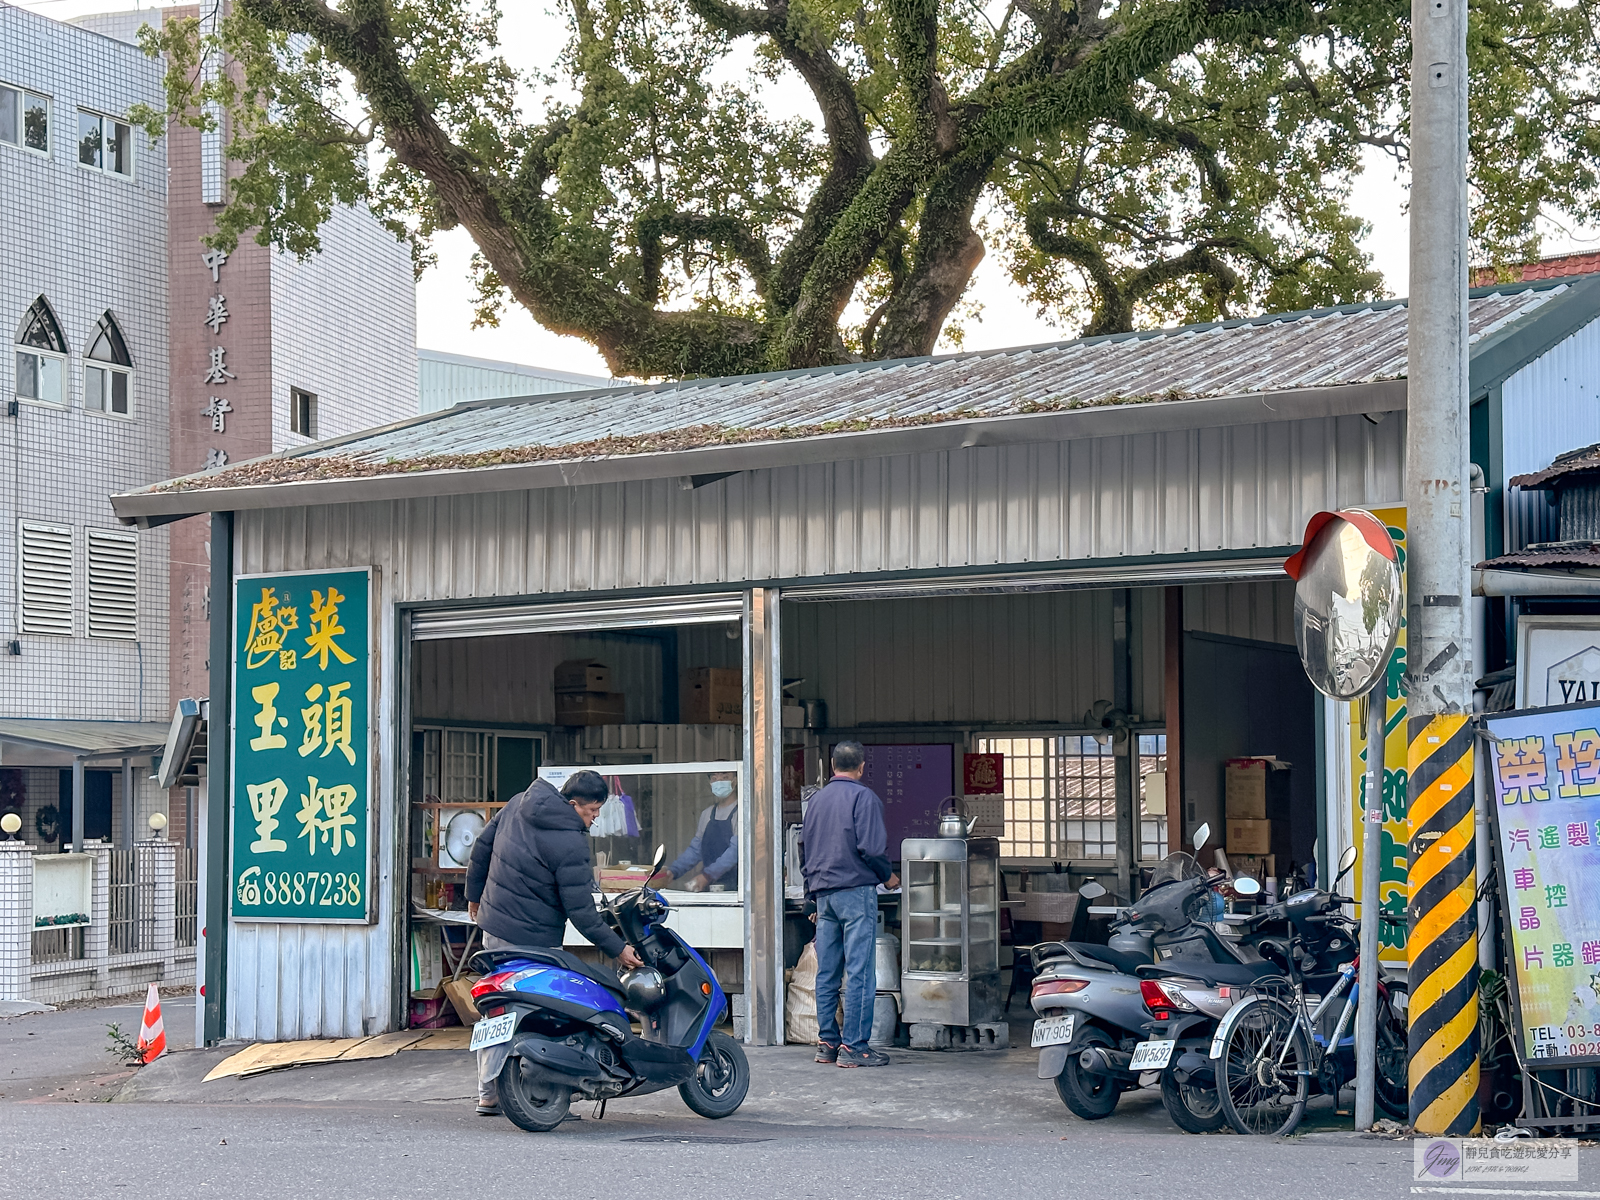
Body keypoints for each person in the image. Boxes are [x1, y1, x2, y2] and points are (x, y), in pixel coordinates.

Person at [465, 769, 644, 1116]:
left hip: (495, 930)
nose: (593, 821)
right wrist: (618, 948)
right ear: (574, 804)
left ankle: (489, 1093)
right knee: (552, 1012)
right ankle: (550, 1087)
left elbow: (481, 847)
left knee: (497, 1010)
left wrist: (474, 897)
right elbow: (581, 913)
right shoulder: (571, 841)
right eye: (591, 812)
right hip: (536, 941)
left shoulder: (518, 803)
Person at [800, 741, 899, 1068]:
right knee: (859, 972)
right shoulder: (864, 798)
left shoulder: (816, 801)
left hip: (824, 895)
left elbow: (804, 849)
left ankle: (827, 1043)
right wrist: (888, 877)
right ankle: (854, 1047)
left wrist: (810, 895)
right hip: (855, 892)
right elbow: (871, 848)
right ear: (861, 767)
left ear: (832, 766)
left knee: (827, 971)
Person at [664, 770, 739, 891]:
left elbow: (735, 852)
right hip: (709, 884)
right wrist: (674, 871)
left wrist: (707, 875)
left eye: (725, 777)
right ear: (710, 783)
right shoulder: (707, 814)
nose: (719, 782)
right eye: (714, 779)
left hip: (736, 887)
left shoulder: (741, 813)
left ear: (735, 781)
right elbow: (696, 850)